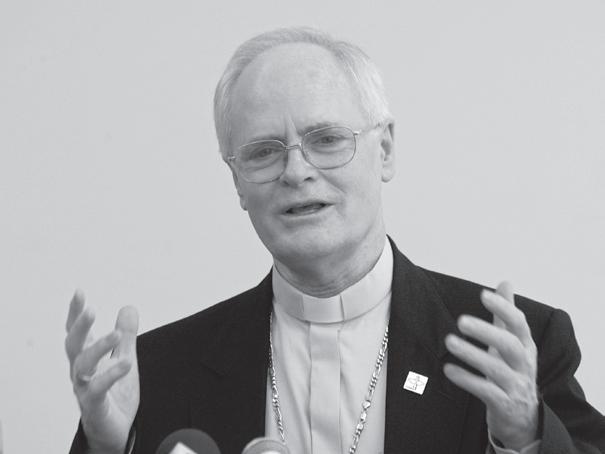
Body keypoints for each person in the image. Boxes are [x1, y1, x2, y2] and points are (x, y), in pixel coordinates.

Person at [66, 27, 605, 454]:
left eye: (326, 140)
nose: (296, 171)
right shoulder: (161, 371)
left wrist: (525, 436)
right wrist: (110, 448)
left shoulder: (513, 350)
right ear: (237, 182)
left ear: (385, 150)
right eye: (263, 152)